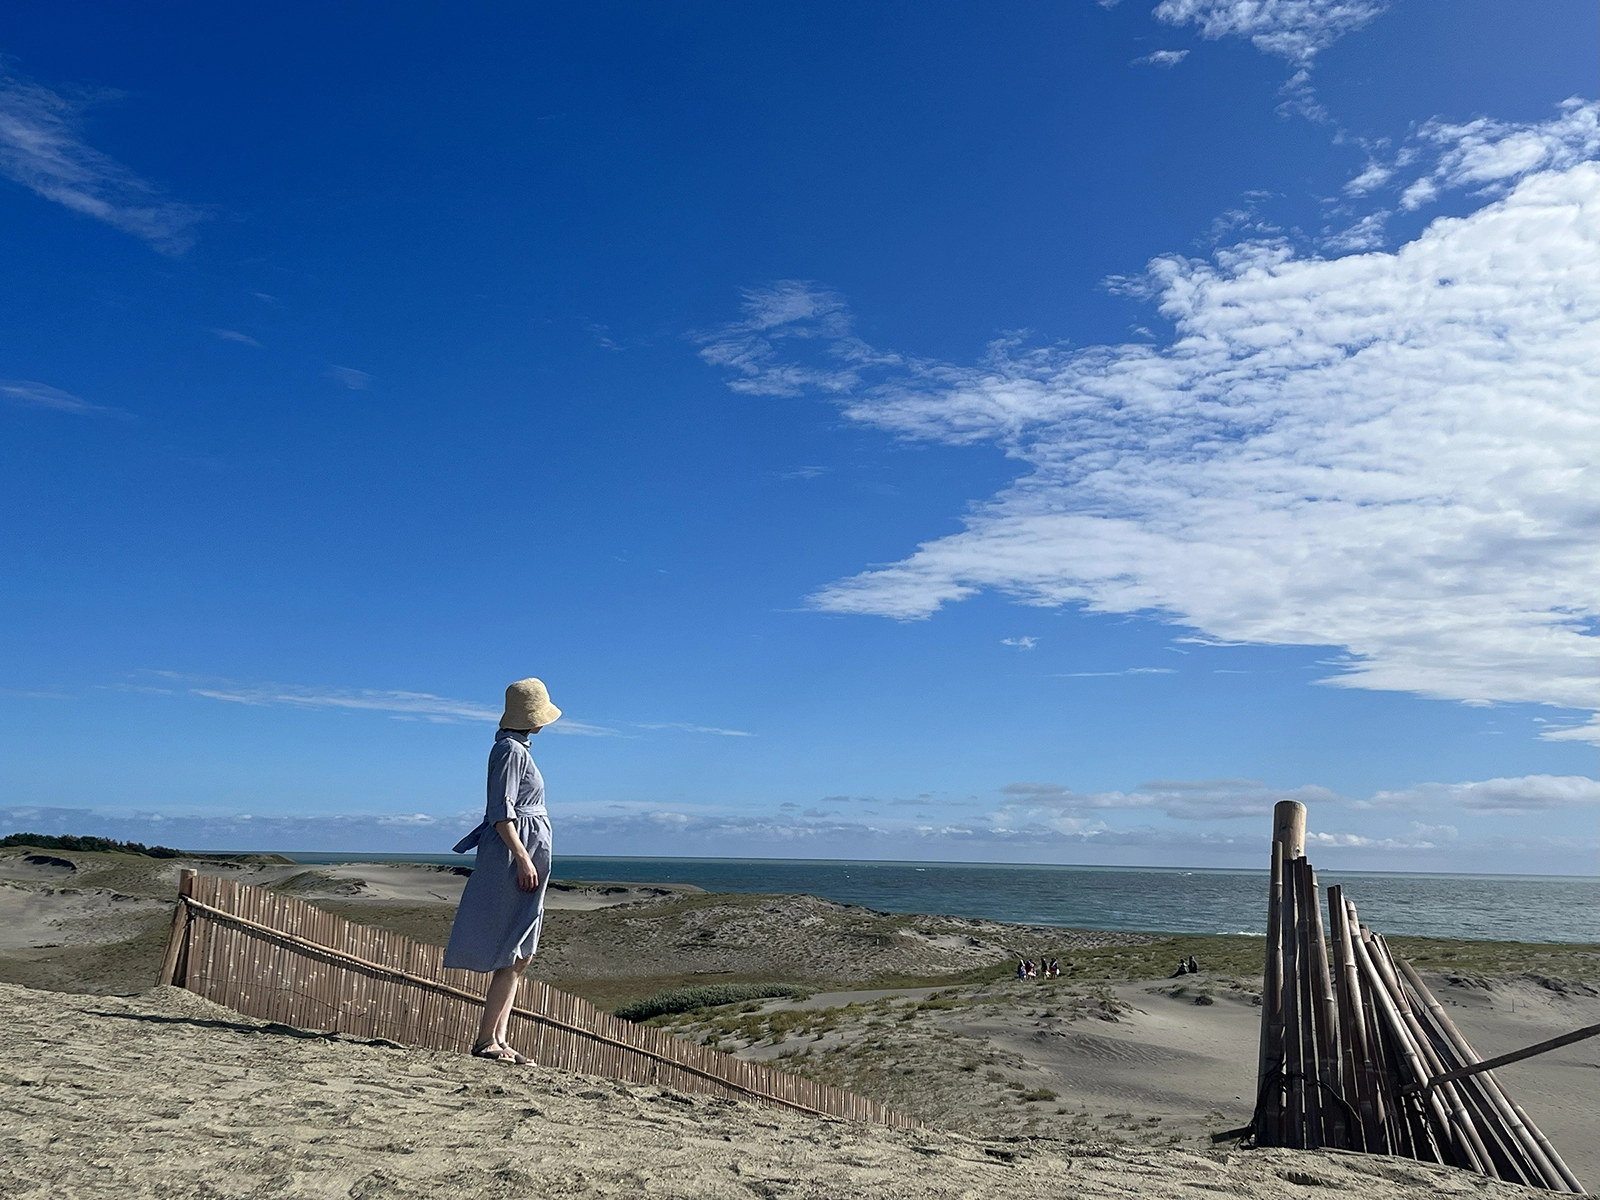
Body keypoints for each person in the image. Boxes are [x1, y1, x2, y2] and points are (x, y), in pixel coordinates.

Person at [443, 678, 562, 1064]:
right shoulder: (510, 751)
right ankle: (487, 1040)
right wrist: (523, 857)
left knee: (521, 951)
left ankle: (496, 1037)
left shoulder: (517, 749)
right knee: (514, 946)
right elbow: (501, 812)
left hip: (526, 847)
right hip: (515, 852)